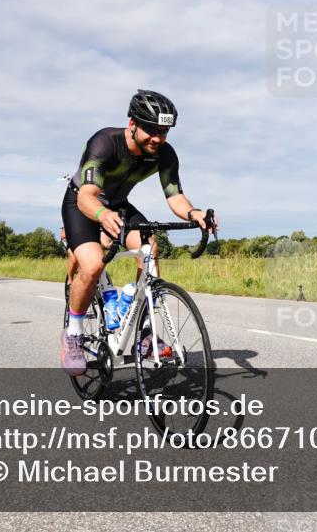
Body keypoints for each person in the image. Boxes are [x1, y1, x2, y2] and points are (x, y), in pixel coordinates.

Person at [59, 90, 217, 375]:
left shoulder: (165, 154)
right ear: (132, 124)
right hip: (82, 203)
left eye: (164, 131)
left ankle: (143, 330)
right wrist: (102, 215)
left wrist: (195, 214)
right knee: (93, 265)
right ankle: (73, 333)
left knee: (150, 249)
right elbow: (86, 196)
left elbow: (175, 198)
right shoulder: (105, 143)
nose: (158, 138)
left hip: (118, 205)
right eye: (152, 130)